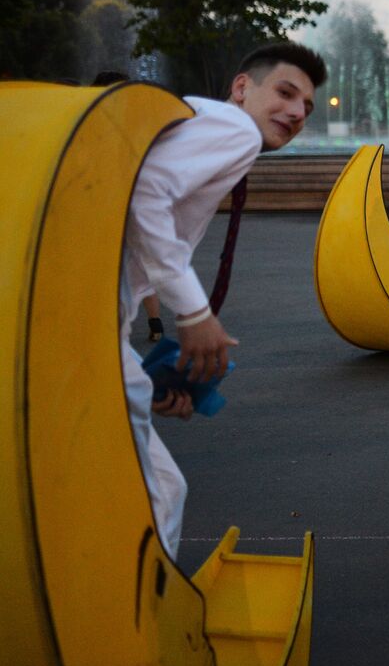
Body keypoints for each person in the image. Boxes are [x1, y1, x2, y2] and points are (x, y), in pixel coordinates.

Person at [121, 42, 325, 557]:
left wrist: (145, 381)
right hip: (77, 319)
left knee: (157, 488)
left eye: (308, 106)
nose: (298, 112)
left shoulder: (203, 120)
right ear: (241, 87)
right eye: (285, 92)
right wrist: (194, 313)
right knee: (156, 493)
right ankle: (133, 622)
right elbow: (146, 192)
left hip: (91, 318)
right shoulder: (233, 129)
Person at [94, 69, 169, 341]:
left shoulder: (95, 124)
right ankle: (154, 323)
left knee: (111, 266)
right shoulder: (136, 125)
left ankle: (114, 325)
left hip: (113, 205)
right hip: (134, 204)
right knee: (140, 264)